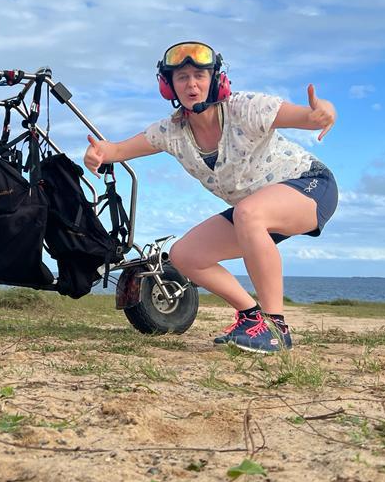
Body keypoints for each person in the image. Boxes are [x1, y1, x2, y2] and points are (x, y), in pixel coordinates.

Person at [83, 41, 339, 353]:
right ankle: (251, 317)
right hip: (254, 211)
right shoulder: (171, 131)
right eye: (182, 77)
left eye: (200, 75)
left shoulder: (246, 108)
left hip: (310, 185)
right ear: (169, 86)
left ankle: (275, 327)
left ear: (216, 80)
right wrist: (98, 154)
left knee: (249, 213)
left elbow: (311, 117)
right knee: (185, 255)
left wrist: (324, 112)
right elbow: (117, 150)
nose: (191, 84)